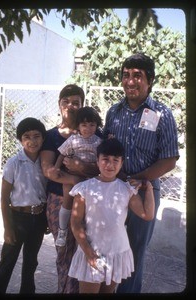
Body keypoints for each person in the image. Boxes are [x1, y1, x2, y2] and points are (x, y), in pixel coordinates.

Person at [103, 53, 180, 293]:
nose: (130, 81)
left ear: (150, 80)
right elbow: (105, 148)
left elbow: (169, 159)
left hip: (145, 191)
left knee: (135, 252)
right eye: (126, 75)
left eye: (138, 76)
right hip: (113, 188)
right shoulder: (113, 113)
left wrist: (141, 178)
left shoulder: (163, 114)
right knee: (108, 245)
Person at [68, 138, 155, 294]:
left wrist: (148, 189)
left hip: (117, 252)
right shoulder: (84, 188)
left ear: (121, 163)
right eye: (105, 159)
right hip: (93, 251)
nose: (110, 164)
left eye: (116, 160)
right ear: (97, 161)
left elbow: (147, 214)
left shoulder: (127, 190)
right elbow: (75, 222)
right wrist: (88, 252)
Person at [40, 84, 101, 293]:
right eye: (66, 102)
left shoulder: (94, 134)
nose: (71, 106)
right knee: (64, 252)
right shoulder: (51, 136)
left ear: (82, 105)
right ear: (59, 105)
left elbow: (107, 168)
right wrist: (72, 177)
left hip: (91, 202)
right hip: (59, 199)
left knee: (86, 251)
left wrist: (80, 168)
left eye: (76, 102)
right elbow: (48, 169)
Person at [0, 117, 48, 294]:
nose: (32, 141)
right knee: (7, 261)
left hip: (38, 218)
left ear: (43, 138)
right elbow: (4, 198)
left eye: (36, 136)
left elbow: (47, 191)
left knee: (31, 262)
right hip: (18, 219)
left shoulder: (45, 162)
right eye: (26, 137)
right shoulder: (13, 163)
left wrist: (46, 218)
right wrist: (8, 228)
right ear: (20, 140)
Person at [54, 106, 102, 247]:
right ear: (78, 126)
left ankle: (88, 232)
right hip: (72, 176)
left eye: (92, 125)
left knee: (88, 206)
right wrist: (56, 168)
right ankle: (62, 231)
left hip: (90, 178)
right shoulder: (73, 140)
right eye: (84, 125)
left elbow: (101, 160)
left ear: (96, 125)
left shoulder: (99, 142)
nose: (88, 128)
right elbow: (62, 154)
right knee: (67, 202)